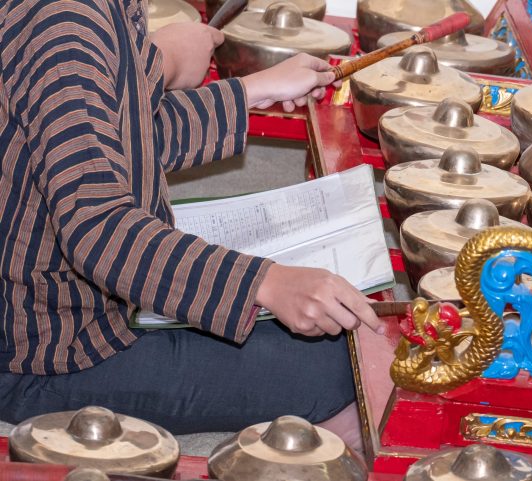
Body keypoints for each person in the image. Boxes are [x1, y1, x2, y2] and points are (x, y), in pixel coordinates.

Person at [0, 0, 380, 452]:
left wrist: (248, 91)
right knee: (343, 368)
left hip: (67, 314)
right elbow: (98, 229)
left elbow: (128, 136)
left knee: (341, 332)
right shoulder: (65, 24)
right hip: (47, 353)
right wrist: (267, 282)